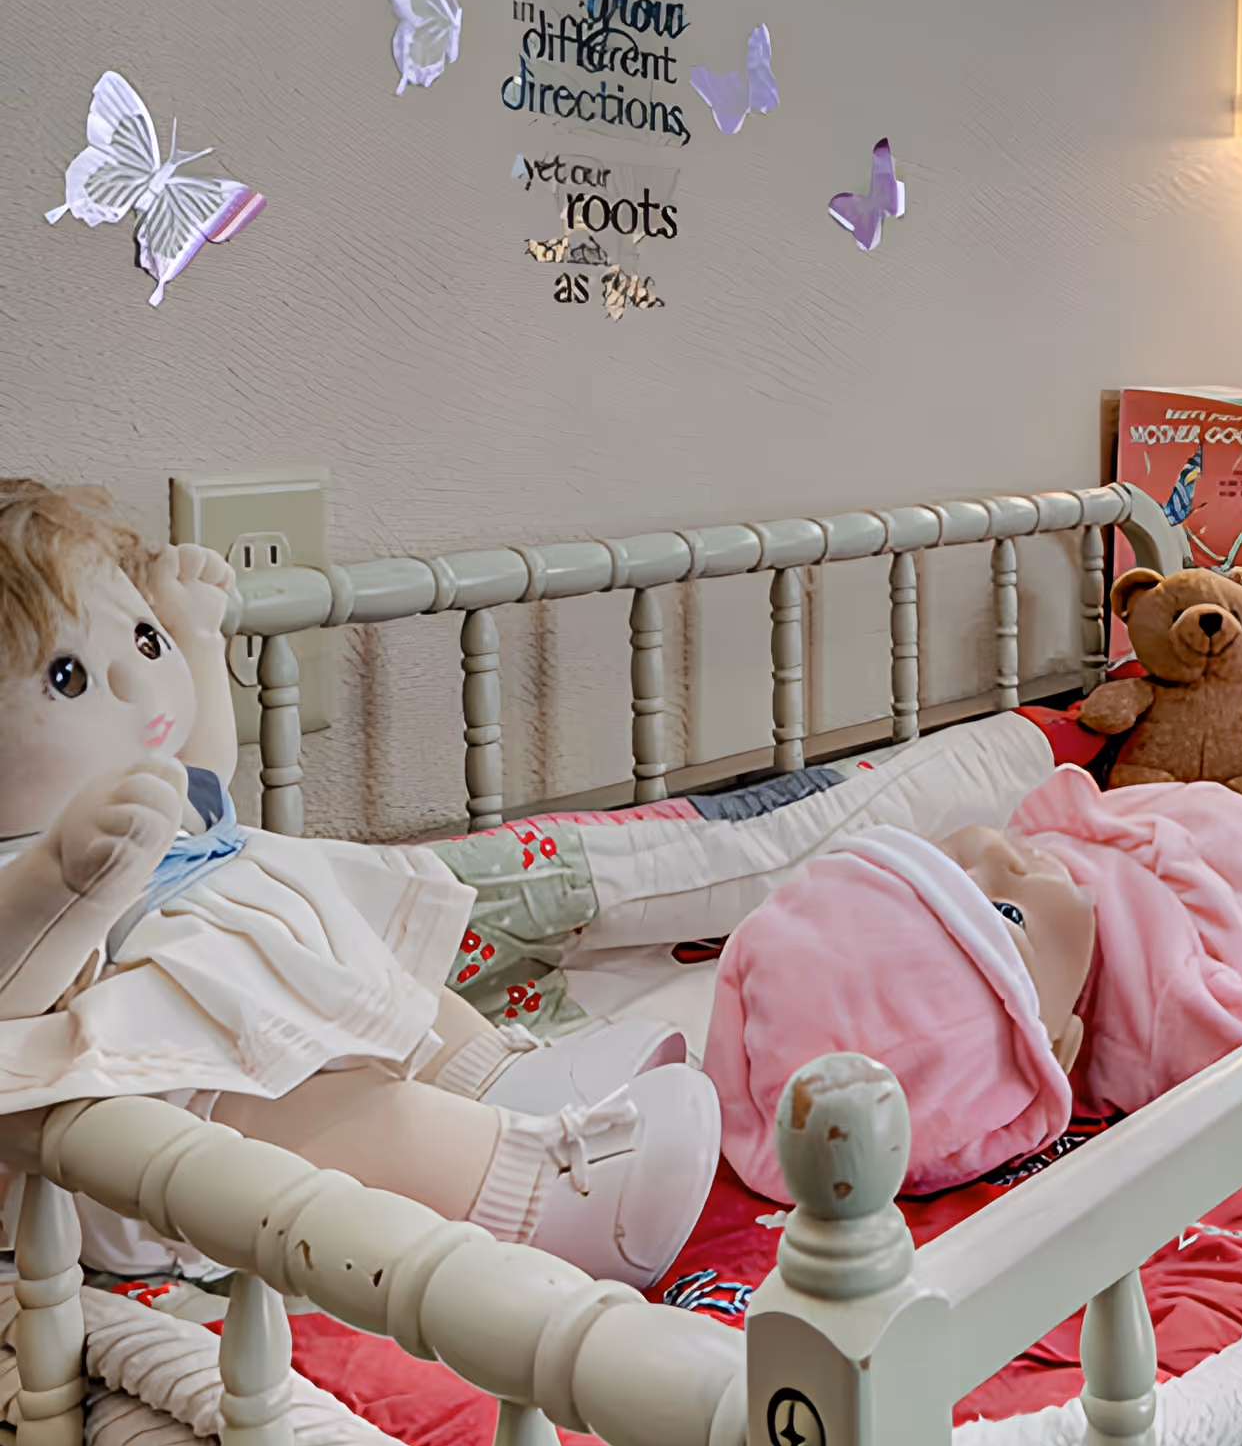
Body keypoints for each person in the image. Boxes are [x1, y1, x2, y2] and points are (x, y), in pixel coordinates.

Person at [0, 480, 716, 1285]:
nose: (137, 683)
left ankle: (506, 1082)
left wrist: (195, 633)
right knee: (312, 1091)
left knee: (380, 980)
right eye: (67, 676)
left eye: (141, 639)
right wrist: (65, 874)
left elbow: (202, 765)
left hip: (253, 984)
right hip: (148, 1123)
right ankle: (530, 1200)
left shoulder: (157, 779)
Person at [705, 764, 1242, 1199]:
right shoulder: (1163, 1025)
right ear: (1057, 1047)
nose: (999, 854)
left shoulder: (1049, 867)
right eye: (1007, 917)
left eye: (950, 859)